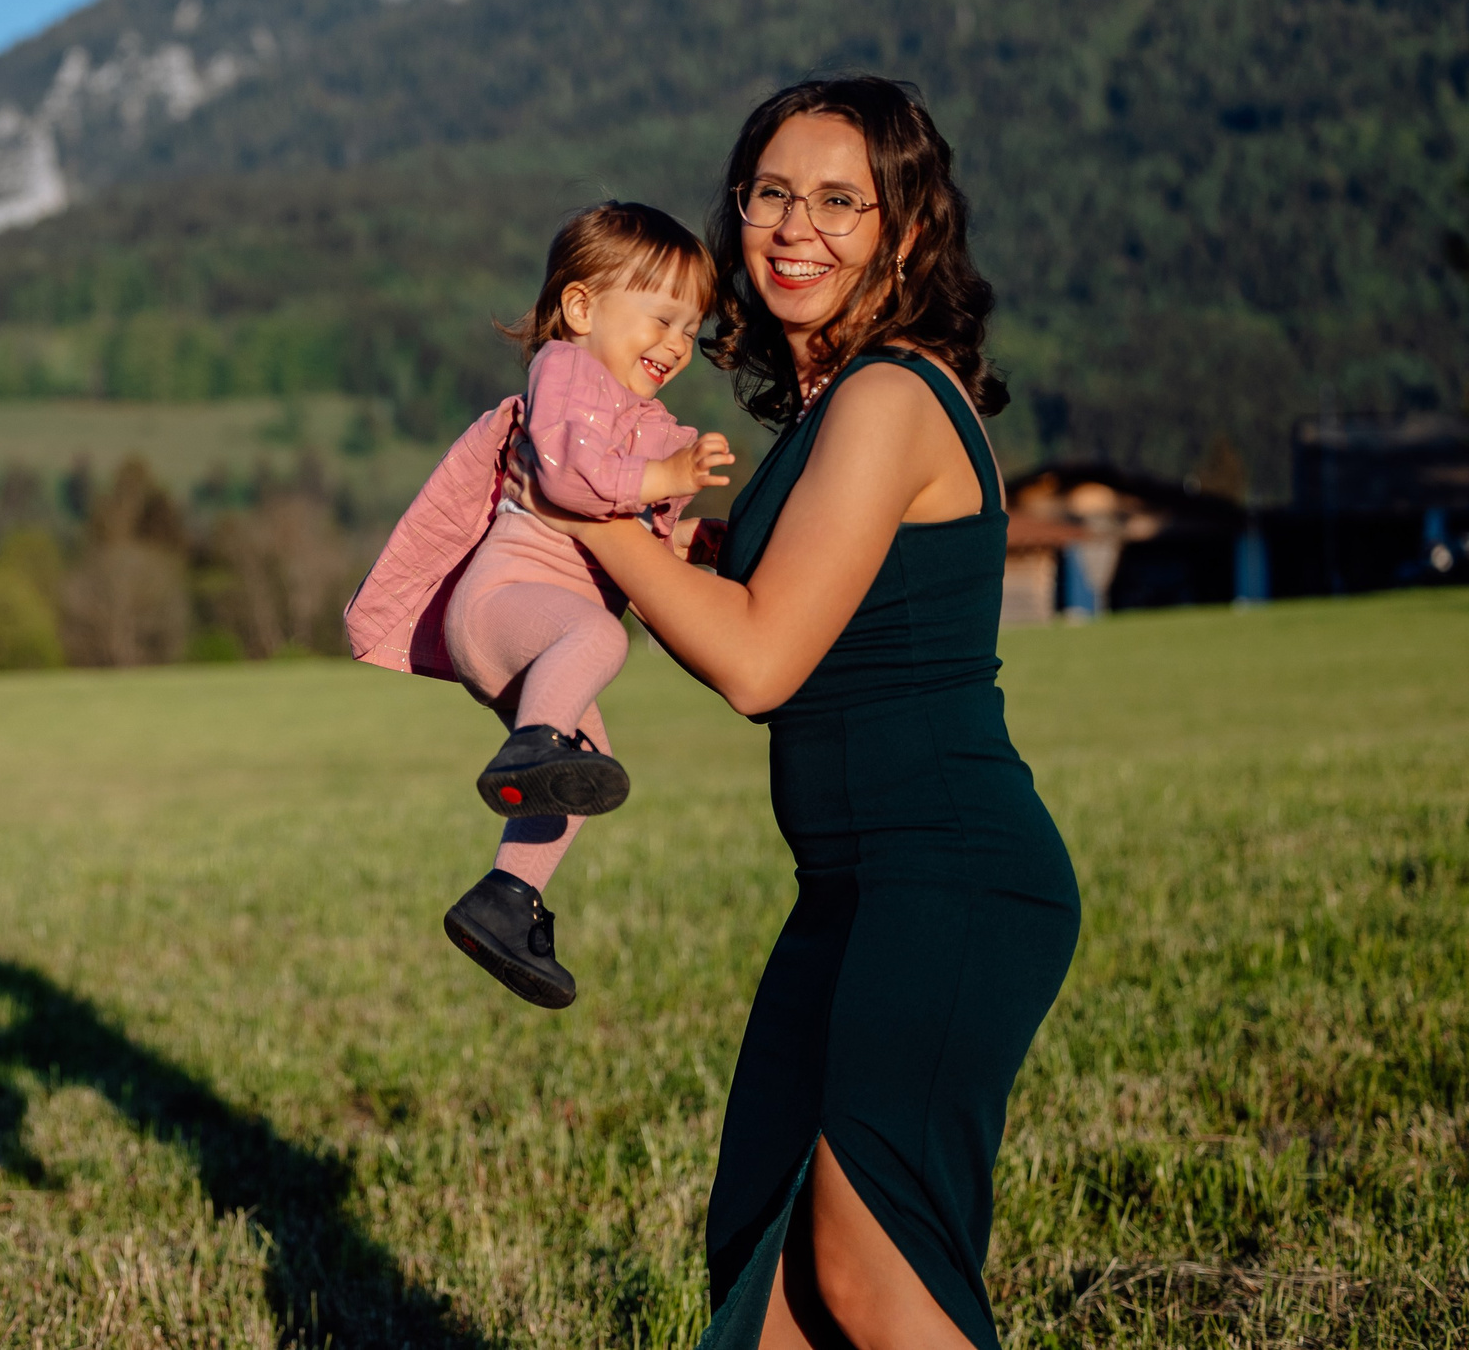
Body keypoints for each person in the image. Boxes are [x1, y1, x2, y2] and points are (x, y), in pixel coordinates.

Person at [506, 79, 1080, 1349]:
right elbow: (763, 602)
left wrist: (584, 513)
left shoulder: (887, 399)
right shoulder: (829, 411)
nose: (793, 228)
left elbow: (761, 662)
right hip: (848, 890)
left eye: (839, 201)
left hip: (949, 879)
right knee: (764, 1300)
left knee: (869, 1275)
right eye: (770, 194)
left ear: (905, 233)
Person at [346, 202, 733, 1009]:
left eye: (690, 331)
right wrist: (663, 478)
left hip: (540, 641)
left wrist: (692, 539)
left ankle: (504, 901)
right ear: (583, 308)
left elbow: (628, 541)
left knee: (586, 767)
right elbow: (567, 483)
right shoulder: (567, 370)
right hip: (506, 602)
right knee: (599, 638)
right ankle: (530, 746)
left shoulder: (648, 423)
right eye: (660, 319)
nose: (675, 345)